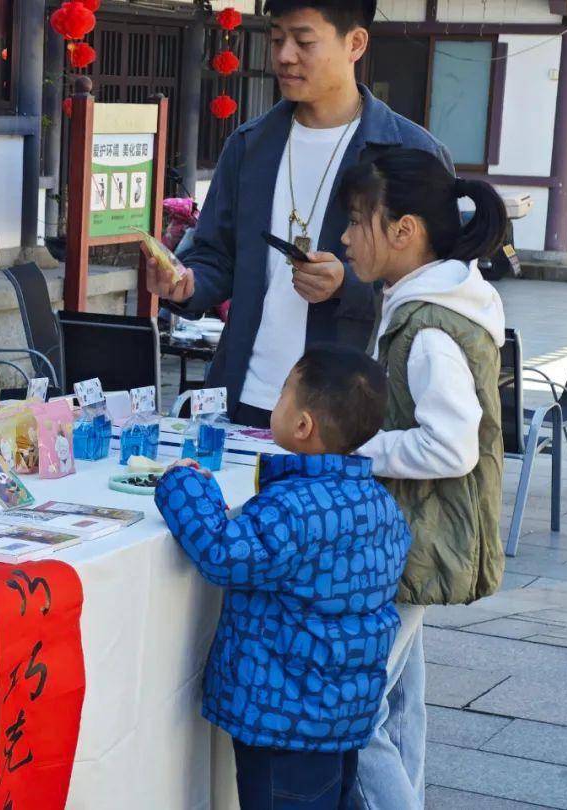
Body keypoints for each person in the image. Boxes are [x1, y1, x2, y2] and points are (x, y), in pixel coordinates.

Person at [146, 0, 452, 429]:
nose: (285, 56)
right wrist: (187, 283)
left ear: (355, 43)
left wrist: (347, 285)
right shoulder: (249, 145)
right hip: (245, 398)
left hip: (349, 412)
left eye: (304, 42)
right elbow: (216, 255)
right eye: (276, 40)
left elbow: (440, 288)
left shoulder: (409, 153)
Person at [155, 344, 413, 810]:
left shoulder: (292, 508)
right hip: (341, 714)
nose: (276, 402)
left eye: (282, 395)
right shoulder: (380, 503)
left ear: (302, 426)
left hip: (283, 719)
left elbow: (222, 553)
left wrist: (183, 484)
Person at [336, 149, 507, 808]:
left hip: (416, 538)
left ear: (403, 230)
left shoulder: (429, 327)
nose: (346, 237)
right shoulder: (427, 300)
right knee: (400, 698)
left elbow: (450, 446)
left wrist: (357, 449)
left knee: (353, 710)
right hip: (416, 534)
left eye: (358, 220)